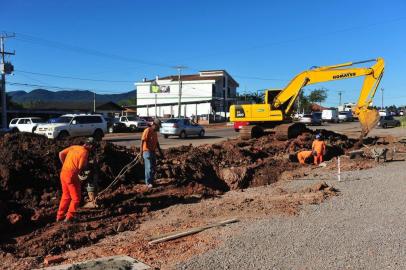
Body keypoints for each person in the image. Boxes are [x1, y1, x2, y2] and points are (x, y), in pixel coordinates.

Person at [56, 137, 95, 222]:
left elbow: (61, 153)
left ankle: (59, 216)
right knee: (76, 198)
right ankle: (69, 217)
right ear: (91, 146)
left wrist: (64, 164)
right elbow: (80, 167)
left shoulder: (74, 147)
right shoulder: (85, 152)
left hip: (63, 173)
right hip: (71, 176)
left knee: (66, 195)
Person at [140, 119, 163, 188]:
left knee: (153, 168)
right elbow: (142, 141)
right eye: (158, 127)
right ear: (154, 125)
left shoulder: (155, 132)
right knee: (149, 167)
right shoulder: (147, 130)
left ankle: (151, 181)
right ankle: (148, 183)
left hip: (152, 151)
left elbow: (157, 143)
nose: (159, 128)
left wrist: (160, 152)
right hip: (147, 151)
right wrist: (141, 152)